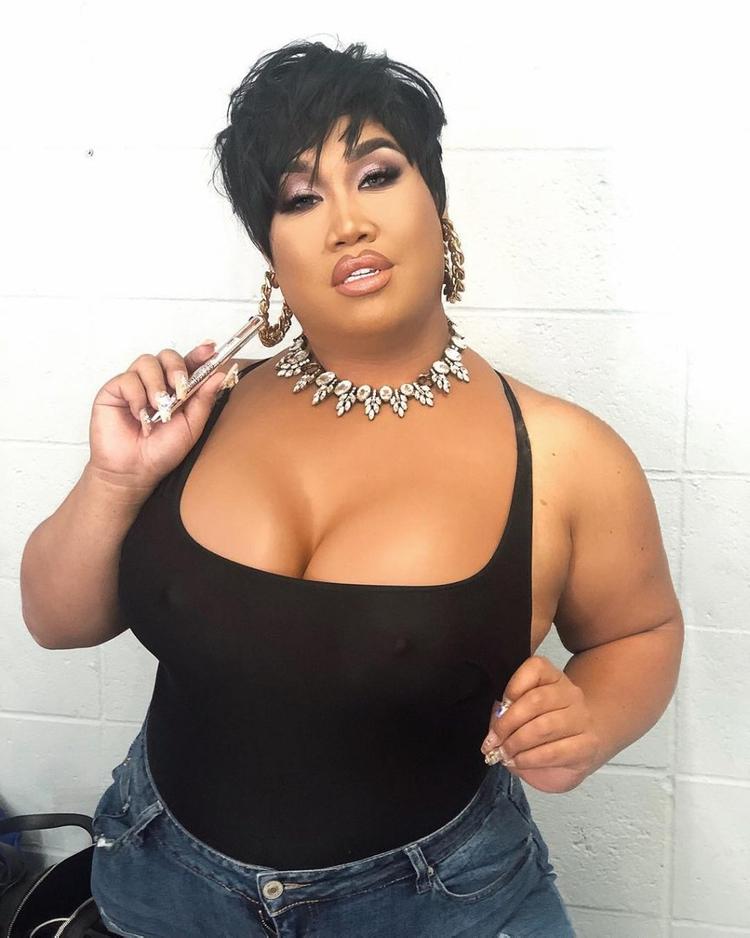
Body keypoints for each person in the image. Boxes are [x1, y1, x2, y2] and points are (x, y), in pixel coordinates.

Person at [19, 38, 626, 937]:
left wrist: (594, 718)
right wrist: (115, 477)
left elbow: (638, 631)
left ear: (437, 203)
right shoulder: (197, 411)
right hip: (162, 886)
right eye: (300, 198)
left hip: (444, 907)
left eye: (376, 175)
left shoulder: (565, 452)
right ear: (271, 252)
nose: (347, 223)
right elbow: (57, 623)